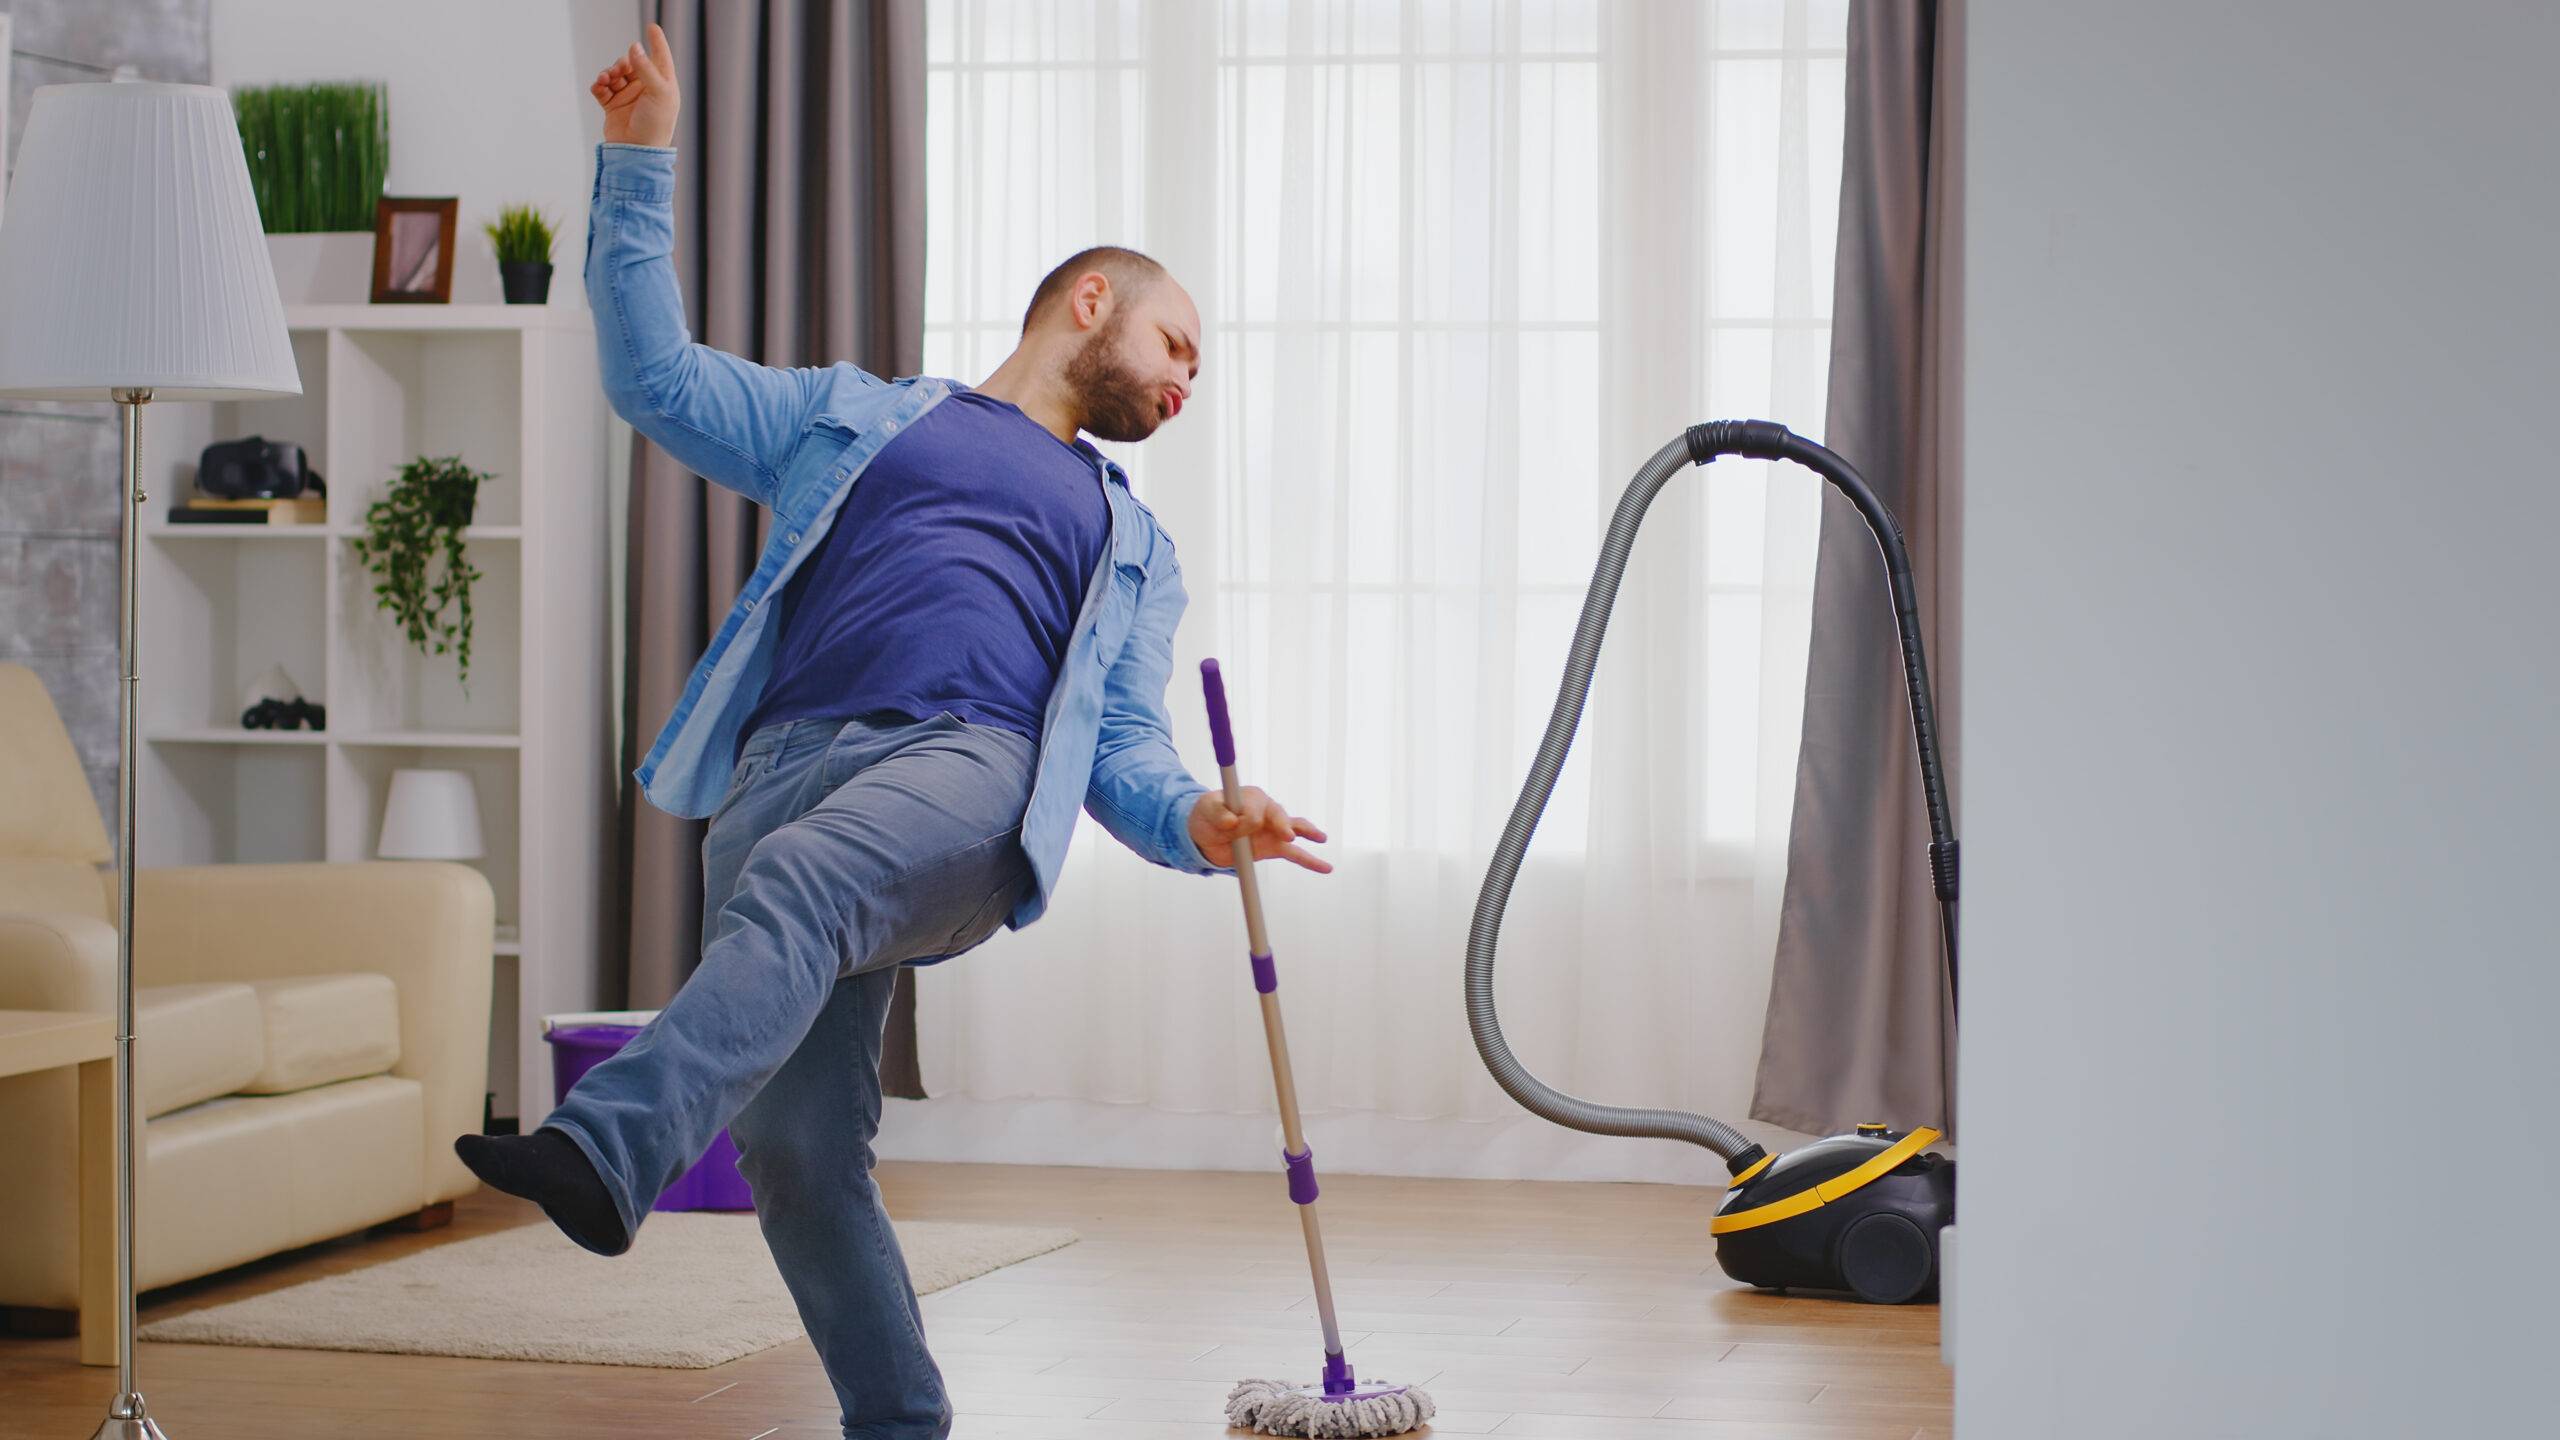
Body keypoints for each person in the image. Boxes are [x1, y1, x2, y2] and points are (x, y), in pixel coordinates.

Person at [456, 23, 1330, 1440]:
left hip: (967, 781)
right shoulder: (855, 419)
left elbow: (1122, 747)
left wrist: (1193, 821)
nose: (1185, 383)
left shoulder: (1130, 543)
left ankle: (606, 1152)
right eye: (1178, 346)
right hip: (782, 775)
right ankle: (902, 1425)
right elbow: (657, 383)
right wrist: (638, 161)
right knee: (800, 1150)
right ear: (1090, 301)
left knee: (805, 893)